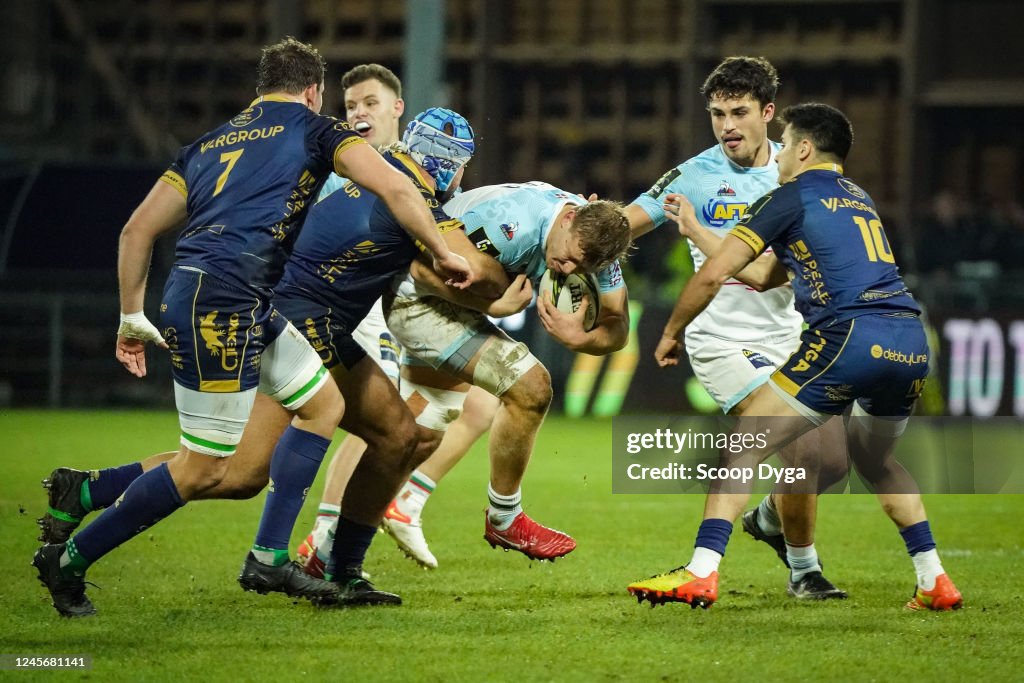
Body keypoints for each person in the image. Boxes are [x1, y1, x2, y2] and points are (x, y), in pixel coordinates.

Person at [31, 37, 475, 618]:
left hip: (233, 298)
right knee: (211, 469)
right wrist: (442, 251)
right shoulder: (317, 131)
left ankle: (268, 557)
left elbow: (135, 232)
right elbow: (395, 186)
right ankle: (69, 559)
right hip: (220, 305)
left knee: (322, 408)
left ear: (260, 87)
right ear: (314, 92)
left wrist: (130, 316)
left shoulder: (207, 145)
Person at [627, 102, 963, 611]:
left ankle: (700, 572)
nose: (780, 153)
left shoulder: (788, 197)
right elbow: (764, 277)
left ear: (804, 149)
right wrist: (697, 229)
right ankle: (933, 579)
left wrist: (672, 331)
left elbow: (716, 273)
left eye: (786, 144)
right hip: (909, 340)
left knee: (745, 445)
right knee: (876, 461)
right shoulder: (858, 198)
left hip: (848, 339)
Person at [623, 56, 848, 599]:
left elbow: (774, 275)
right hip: (721, 339)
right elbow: (629, 219)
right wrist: (577, 220)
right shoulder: (695, 175)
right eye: (717, 113)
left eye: (739, 112)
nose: (727, 125)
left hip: (788, 335)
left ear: (768, 113)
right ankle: (802, 571)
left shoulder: (794, 173)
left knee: (831, 462)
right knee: (792, 442)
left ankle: (770, 520)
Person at [293, 64, 502, 573]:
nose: (359, 112)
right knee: (378, 423)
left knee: (476, 404)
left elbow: (452, 219)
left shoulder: (419, 171)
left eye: (369, 102)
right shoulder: (339, 156)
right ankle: (324, 535)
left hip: (395, 297)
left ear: (397, 109)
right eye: (351, 106)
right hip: (355, 301)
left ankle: (404, 504)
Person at [382, 181, 633, 562]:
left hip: (447, 300)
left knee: (417, 427)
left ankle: (334, 538)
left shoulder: (591, 238)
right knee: (530, 388)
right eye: (568, 259)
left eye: (581, 268)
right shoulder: (511, 226)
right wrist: (496, 307)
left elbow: (618, 327)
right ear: (568, 218)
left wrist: (580, 338)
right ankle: (504, 518)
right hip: (415, 298)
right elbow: (421, 269)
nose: (567, 271)